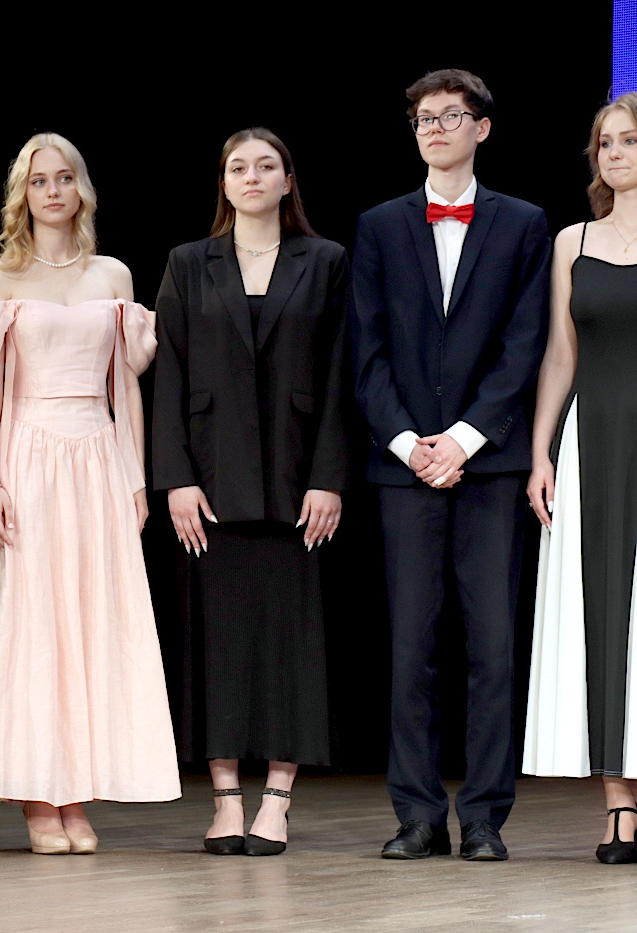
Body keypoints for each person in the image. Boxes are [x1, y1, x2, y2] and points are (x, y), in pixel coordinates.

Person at [350, 69, 550, 861]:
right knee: (412, 648)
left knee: (492, 647)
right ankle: (418, 814)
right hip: (404, 467)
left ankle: (487, 817)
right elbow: (365, 350)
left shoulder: (524, 222)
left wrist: (465, 439)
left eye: (449, 116)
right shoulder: (378, 225)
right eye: (423, 119)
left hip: (490, 466)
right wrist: (410, 443)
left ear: (482, 128)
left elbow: (525, 342)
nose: (434, 129)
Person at [0, 132, 180, 856]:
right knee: (34, 624)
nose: (52, 191)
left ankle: (77, 794)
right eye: (38, 181)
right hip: (27, 454)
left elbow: (127, 386)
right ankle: (39, 797)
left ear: (80, 188)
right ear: (22, 194)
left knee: (89, 623)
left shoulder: (112, 274)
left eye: (63, 178)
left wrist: (137, 476)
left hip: (97, 456)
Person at [152, 128, 349, 856]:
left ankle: (278, 800)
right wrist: (175, 477)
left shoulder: (325, 260)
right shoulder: (187, 262)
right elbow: (168, 373)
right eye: (238, 167)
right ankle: (226, 800)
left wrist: (329, 476)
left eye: (267, 165)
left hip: (298, 483)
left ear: (288, 180)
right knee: (218, 644)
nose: (253, 176)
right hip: (210, 483)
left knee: (292, 643)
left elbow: (340, 374)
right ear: (224, 182)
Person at [522, 91, 637, 864]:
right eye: (606, 143)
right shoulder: (574, 240)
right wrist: (541, 453)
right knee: (604, 615)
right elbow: (560, 355)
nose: (616, 153)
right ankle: (620, 804)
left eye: (630, 140)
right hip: (592, 438)